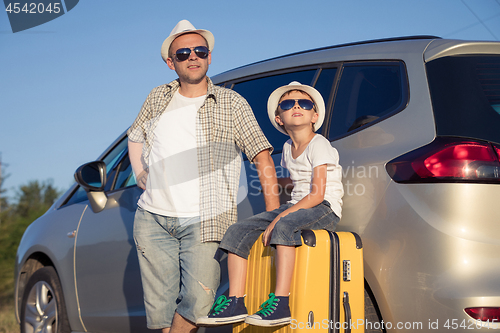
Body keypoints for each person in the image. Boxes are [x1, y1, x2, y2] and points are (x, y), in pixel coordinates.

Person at [127, 20, 280, 333]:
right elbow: (135, 135)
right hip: (152, 219)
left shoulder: (231, 103)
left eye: (200, 50)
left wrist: (274, 215)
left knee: (197, 303)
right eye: (183, 53)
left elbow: (262, 157)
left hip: (205, 220)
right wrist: (139, 171)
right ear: (171, 63)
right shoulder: (158, 97)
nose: (192, 56)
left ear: (210, 57)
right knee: (162, 313)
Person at [197, 81, 344, 327]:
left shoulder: (319, 144)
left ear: (314, 115)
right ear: (279, 118)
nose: (296, 106)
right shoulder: (287, 147)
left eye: (304, 103)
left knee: (283, 226)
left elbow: (317, 194)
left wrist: (278, 218)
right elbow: (297, 181)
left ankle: (281, 303)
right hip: (299, 204)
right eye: (288, 104)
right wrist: (273, 182)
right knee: (237, 230)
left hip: (324, 208)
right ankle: (235, 302)